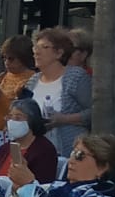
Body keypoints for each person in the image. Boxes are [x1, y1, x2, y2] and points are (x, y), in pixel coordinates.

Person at [29, 27, 92, 155]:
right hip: (37, 152)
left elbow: (96, 112)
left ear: (59, 53)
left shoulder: (76, 77)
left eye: (44, 47)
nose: (37, 52)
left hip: (67, 151)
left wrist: (64, 119)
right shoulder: (32, 80)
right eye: (35, 47)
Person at [0, 99, 59, 184]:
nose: (12, 121)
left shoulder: (45, 150)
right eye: (10, 117)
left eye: (18, 117)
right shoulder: (5, 148)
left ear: (32, 120)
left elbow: (42, 186)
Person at [0, 35, 35, 133]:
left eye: (11, 58)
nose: (6, 62)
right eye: (4, 58)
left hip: (16, 135)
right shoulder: (2, 77)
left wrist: (0, 95)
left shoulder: (31, 80)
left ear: (24, 58)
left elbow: (19, 114)